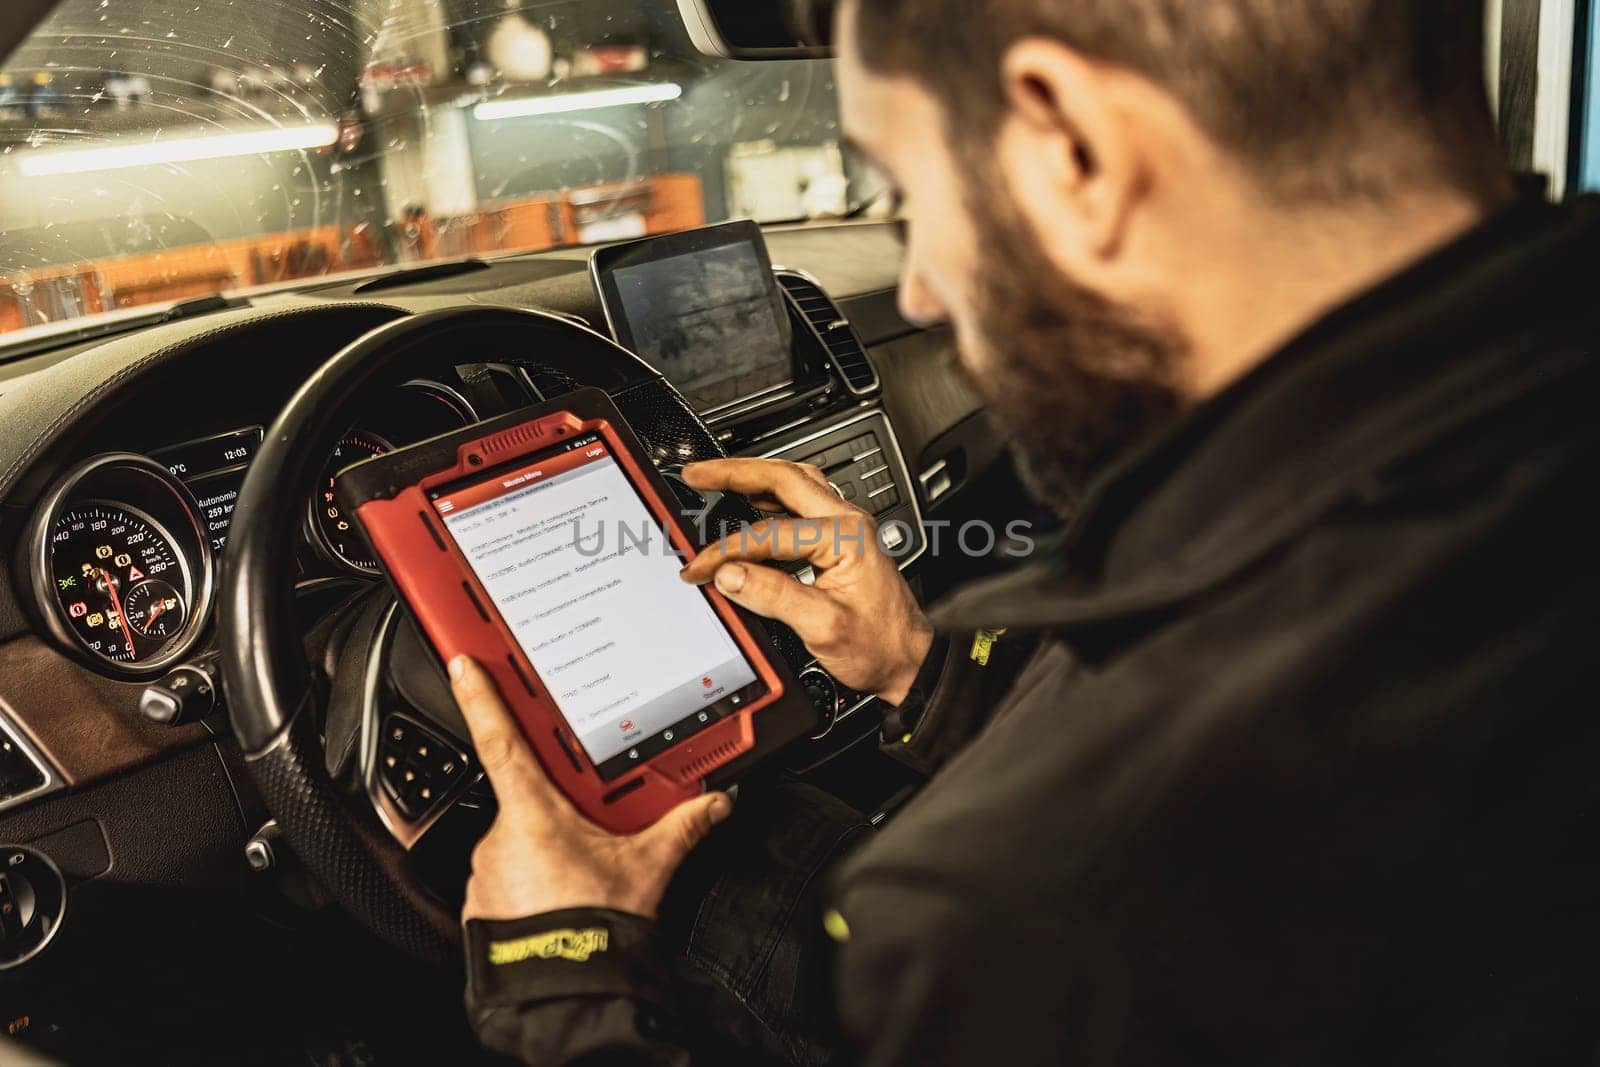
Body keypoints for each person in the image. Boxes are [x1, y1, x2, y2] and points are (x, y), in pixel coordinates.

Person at [446, 0, 1600, 1062]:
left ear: (1073, 148)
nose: (926, 295)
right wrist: (927, 670)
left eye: (912, 193)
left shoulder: (1017, 914)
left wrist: (567, 988)